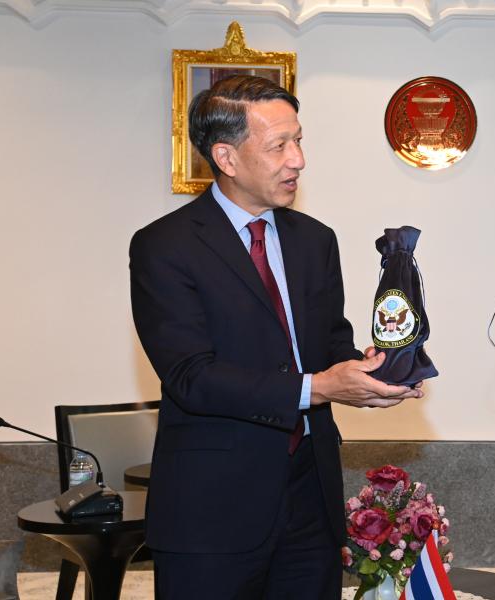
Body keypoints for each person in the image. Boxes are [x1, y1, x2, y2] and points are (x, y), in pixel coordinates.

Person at [129, 75, 422, 599]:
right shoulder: (165, 246)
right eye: (278, 146)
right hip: (212, 509)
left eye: (299, 140)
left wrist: (373, 372)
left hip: (311, 500)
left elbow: (329, 344)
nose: (298, 160)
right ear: (226, 156)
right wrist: (321, 387)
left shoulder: (315, 240)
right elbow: (191, 377)